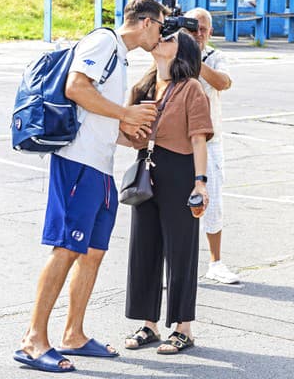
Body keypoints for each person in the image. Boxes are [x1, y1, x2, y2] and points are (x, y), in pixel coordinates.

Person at [13, 0, 166, 373]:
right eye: (161, 26)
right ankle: (33, 341)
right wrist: (125, 113)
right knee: (66, 248)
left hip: (101, 167)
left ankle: (73, 335)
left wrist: (127, 132)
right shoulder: (104, 41)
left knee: (93, 253)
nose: (161, 35)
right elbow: (76, 88)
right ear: (146, 22)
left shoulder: (120, 55)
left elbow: (93, 112)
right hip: (77, 165)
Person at [123, 31, 213, 355]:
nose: (161, 40)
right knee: (144, 248)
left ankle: (183, 328)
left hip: (180, 171)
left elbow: (199, 139)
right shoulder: (144, 86)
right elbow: (127, 132)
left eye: (170, 38)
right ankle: (149, 324)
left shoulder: (191, 88)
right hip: (146, 169)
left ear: (182, 50)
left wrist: (200, 183)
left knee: (180, 251)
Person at [185, 8, 239, 284]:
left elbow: (224, 82)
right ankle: (177, 263)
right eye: (192, 28)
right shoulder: (173, 53)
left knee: (212, 202)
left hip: (210, 141)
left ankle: (215, 262)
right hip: (178, 142)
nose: (198, 34)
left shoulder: (216, 57)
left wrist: (195, 60)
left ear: (211, 32)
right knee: (177, 205)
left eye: (203, 29)